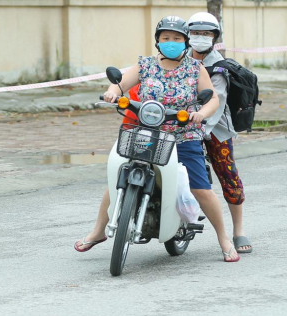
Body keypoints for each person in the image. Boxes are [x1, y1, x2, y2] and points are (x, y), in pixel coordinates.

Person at [75, 16, 240, 262]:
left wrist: (201, 114)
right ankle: (99, 231)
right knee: (118, 176)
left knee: (201, 189)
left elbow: (213, 99)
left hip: (184, 136)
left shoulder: (196, 69)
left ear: (185, 42)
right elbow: (120, 85)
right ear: (158, 41)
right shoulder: (145, 65)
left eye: (176, 39)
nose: (170, 42)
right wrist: (112, 92)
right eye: (165, 38)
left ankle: (224, 239)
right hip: (147, 133)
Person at [187, 11, 251, 254]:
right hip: (179, 122)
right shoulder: (178, 58)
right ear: (188, 35)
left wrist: (200, 126)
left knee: (228, 174)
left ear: (215, 37)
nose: (200, 37)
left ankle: (238, 231)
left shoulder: (219, 67)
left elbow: (217, 101)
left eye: (206, 34)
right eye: (196, 33)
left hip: (214, 128)